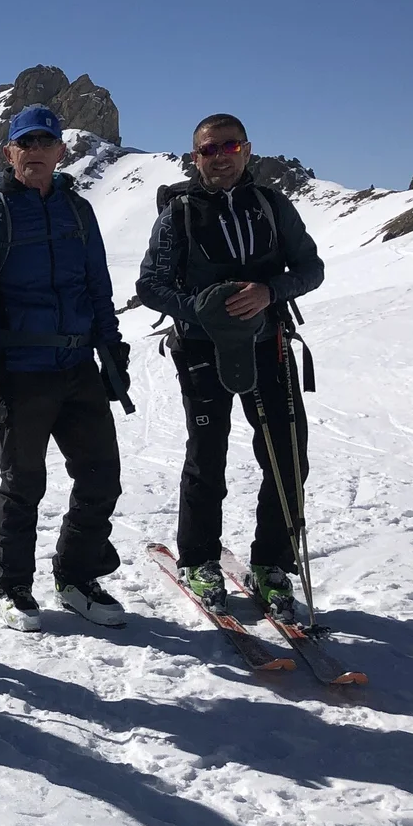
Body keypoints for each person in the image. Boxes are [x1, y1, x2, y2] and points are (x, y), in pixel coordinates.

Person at [135, 113, 324, 615]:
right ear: (195, 158)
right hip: (200, 347)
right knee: (208, 453)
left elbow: (311, 268)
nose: (220, 157)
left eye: (229, 147)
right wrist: (201, 308)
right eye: (209, 150)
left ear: (246, 150)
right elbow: (150, 285)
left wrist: (270, 291)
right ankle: (198, 560)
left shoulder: (271, 205)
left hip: (270, 341)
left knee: (286, 457)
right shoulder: (180, 213)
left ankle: (272, 563)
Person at [0, 105, 130, 631]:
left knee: (102, 477)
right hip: (19, 370)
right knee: (23, 482)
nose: (35, 152)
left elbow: (98, 287)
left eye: (44, 143)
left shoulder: (79, 213)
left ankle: (75, 577)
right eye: (24, 144)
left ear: (60, 150)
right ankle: (13, 584)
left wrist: (111, 350)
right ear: (9, 154)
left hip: (77, 366)